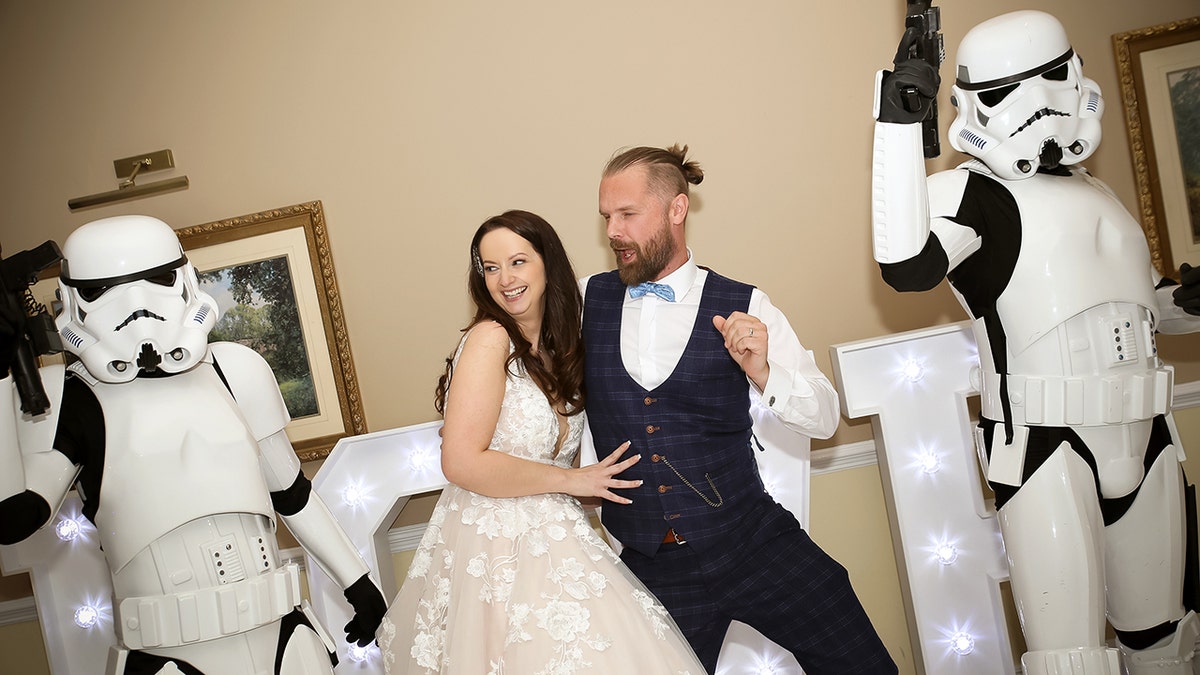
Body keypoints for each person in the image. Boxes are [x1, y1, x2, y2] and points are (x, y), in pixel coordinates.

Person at [871, 10, 1200, 675]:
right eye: (1009, 90)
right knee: (1068, 656)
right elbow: (907, 266)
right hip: (1046, 441)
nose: (1040, 104)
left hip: (1147, 429)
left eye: (1053, 79)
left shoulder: (1099, 192)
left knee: (1166, 640)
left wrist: (1181, 301)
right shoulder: (968, 194)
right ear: (971, 101)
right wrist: (899, 124)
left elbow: (1135, 306)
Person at [0, 215, 386, 674]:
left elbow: (292, 494)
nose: (137, 305)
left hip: (284, 637)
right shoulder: (68, 399)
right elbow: (15, 516)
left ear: (183, 279)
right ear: (73, 299)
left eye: (158, 279)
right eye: (103, 289)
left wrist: (358, 582)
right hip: (171, 655)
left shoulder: (236, 370)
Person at [581, 145, 897, 674]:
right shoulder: (587, 300)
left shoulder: (746, 304)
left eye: (628, 214)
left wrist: (764, 372)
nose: (613, 230)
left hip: (752, 544)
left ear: (676, 210)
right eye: (606, 217)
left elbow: (824, 418)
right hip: (652, 569)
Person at [375, 210, 705, 674]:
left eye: (517, 262)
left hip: (557, 534)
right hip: (494, 548)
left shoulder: (560, 347)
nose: (504, 279)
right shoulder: (491, 339)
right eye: (490, 268)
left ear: (547, 263)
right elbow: (461, 461)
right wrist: (571, 480)